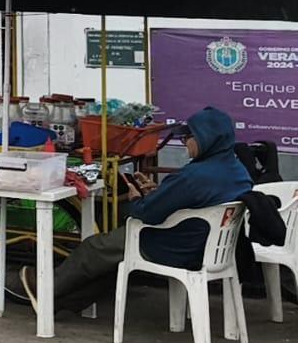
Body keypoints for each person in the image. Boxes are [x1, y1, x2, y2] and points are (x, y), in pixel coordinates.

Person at [20, 106, 253, 316]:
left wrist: (137, 198)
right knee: (113, 260)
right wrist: (161, 192)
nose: (184, 143)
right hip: (212, 249)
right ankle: (60, 302)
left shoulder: (194, 176)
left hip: (174, 246)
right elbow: (198, 201)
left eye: (188, 138)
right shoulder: (237, 170)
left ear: (205, 138)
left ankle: (46, 289)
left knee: (94, 248)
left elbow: (146, 213)